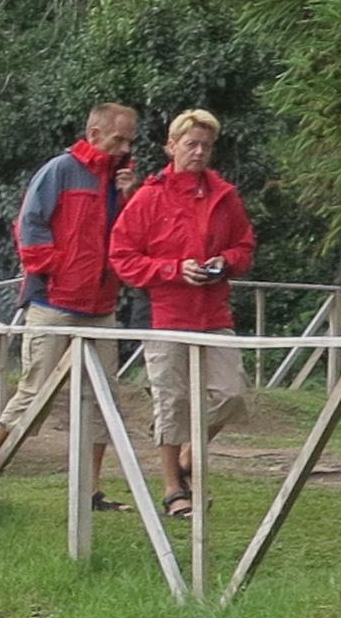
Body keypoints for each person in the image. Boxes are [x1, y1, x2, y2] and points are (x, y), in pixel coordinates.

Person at [107, 107, 254, 520]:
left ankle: (190, 454)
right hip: (165, 312)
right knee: (171, 401)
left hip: (213, 312)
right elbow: (123, 257)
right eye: (191, 143)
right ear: (171, 146)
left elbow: (245, 248)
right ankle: (174, 488)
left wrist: (224, 262)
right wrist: (173, 269)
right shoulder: (149, 197)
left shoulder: (226, 195)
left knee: (231, 393)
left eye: (207, 145)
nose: (199, 151)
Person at [17, 102, 137, 483]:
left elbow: (130, 237)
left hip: (100, 304)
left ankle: (91, 488)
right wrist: (54, 269)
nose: (124, 148)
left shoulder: (122, 181)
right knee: (35, 393)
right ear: (95, 135)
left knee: (104, 401)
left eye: (129, 141)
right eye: (118, 140)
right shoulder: (60, 170)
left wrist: (131, 199)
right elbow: (29, 224)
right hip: (54, 299)